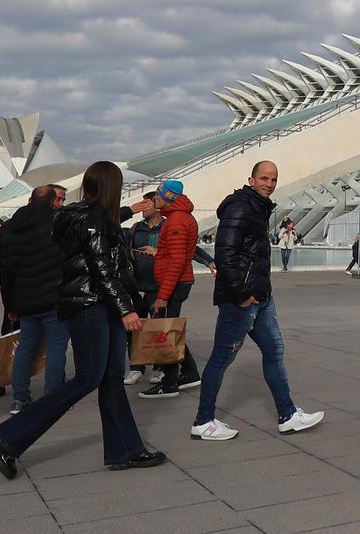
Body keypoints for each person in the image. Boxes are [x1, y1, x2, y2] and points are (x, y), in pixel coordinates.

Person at [0, 160, 165, 477]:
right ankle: (9, 435)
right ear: (113, 187)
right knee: (87, 379)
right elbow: (102, 270)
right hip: (91, 306)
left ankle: (126, 449)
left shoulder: (79, 216)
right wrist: (127, 309)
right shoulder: (94, 221)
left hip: (94, 304)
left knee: (111, 379)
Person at [192, 161, 323, 443]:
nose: (269, 183)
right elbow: (225, 253)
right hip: (241, 299)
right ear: (251, 180)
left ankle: (287, 415)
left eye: (273, 179)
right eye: (264, 178)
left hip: (259, 296)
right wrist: (241, 295)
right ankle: (203, 421)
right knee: (221, 357)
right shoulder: (241, 208)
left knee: (274, 351)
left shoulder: (257, 208)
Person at [0, 183, 68, 416]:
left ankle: (19, 399)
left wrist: (9, 304)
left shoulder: (10, 227)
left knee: (26, 348)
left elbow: (6, 270)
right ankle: (52, 397)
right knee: (57, 348)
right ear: (52, 202)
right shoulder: (58, 223)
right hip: (54, 298)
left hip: (24, 300)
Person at [140, 181, 203, 398]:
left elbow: (177, 261)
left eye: (157, 194)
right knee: (171, 330)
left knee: (166, 332)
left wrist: (163, 296)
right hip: (178, 282)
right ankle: (190, 373)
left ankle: (169, 383)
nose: (154, 198)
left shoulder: (176, 220)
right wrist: (160, 253)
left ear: (168, 196)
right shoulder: (181, 216)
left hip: (174, 284)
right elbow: (178, 254)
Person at [124, 192, 163, 386]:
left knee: (157, 329)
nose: (142, 207)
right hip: (137, 288)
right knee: (133, 329)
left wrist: (209, 262)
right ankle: (136, 368)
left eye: (146, 204)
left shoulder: (167, 227)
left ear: (158, 206)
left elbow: (184, 251)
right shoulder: (135, 229)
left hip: (158, 287)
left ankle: (159, 368)